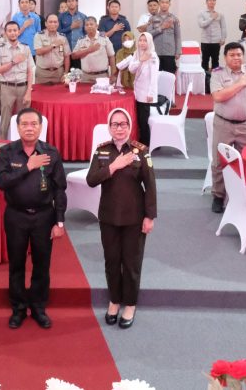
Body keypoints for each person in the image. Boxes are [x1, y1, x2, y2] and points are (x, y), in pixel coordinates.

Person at [0, 108, 67, 329]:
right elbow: (2, 182)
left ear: (40, 127)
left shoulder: (51, 152)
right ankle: (18, 308)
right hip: (16, 216)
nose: (29, 128)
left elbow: (60, 189)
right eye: (24, 124)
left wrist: (60, 221)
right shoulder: (7, 152)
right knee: (16, 264)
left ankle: (38, 307)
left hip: (44, 217)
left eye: (33, 124)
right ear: (17, 127)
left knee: (41, 264)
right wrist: (28, 167)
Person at [85, 108, 156, 329]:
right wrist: (114, 166)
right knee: (112, 261)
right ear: (109, 127)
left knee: (132, 263)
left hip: (134, 217)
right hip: (109, 216)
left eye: (123, 124)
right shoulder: (102, 151)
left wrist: (149, 216)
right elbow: (91, 180)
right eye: (115, 124)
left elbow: (150, 186)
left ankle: (130, 304)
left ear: (129, 126)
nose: (119, 128)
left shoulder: (141, 151)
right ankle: (114, 301)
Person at [209, 42, 246, 214]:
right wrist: (240, 83)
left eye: (239, 54)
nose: (236, 58)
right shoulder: (218, 73)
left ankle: (245, 194)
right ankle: (218, 196)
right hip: (223, 124)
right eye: (232, 55)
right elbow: (218, 97)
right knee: (219, 161)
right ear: (225, 57)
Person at [116, 32, 161, 146]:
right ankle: (142, 142)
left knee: (144, 121)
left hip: (147, 93)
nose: (142, 43)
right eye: (140, 40)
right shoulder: (137, 53)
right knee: (140, 120)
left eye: (145, 41)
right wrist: (140, 60)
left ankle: (147, 145)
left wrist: (151, 93)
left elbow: (154, 77)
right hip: (138, 91)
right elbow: (131, 69)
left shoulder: (153, 55)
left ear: (149, 42)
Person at [0, 21, 33, 129]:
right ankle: (2, 140)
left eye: (15, 30)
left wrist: (28, 92)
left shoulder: (25, 48)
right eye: (10, 31)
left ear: (19, 32)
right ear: (5, 33)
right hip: (7, 88)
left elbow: (30, 71)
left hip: (23, 87)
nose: (12, 33)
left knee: (24, 120)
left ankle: (22, 140)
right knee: (5, 120)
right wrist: (13, 62)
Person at [71, 16, 116, 83]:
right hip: (85, 76)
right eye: (87, 25)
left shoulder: (104, 39)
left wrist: (113, 74)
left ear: (96, 26)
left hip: (102, 76)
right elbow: (73, 56)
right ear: (84, 27)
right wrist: (89, 50)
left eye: (91, 24)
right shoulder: (81, 40)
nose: (89, 26)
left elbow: (111, 56)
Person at [147, 0, 181, 75]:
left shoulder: (174, 19)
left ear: (169, 4)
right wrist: (161, 28)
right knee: (156, 77)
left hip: (169, 52)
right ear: (159, 4)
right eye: (162, 2)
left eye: (166, 2)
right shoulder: (152, 18)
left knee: (169, 76)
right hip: (156, 53)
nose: (164, 4)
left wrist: (178, 51)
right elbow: (148, 34)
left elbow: (177, 36)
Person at [198, 0, 226, 91]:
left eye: (214, 0)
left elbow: (223, 27)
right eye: (210, 0)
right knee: (204, 61)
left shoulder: (220, 14)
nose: (212, 2)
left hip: (216, 41)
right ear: (206, 2)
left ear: (215, 2)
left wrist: (223, 38)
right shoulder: (202, 13)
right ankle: (204, 83)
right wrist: (211, 18)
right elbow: (201, 24)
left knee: (215, 61)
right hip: (205, 41)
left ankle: (215, 83)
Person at [33, 14, 70, 85]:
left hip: (58, 73)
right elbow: (38, 52)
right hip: (42, 73)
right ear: (46, 23)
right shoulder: (39, 36)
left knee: (59, 92)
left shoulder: (62, 37)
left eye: (55, 22)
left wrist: (66, 73)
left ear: (58, 24)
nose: (53, 24)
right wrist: (53, 45)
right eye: (50, 22)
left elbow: (66, 56)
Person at [58, 0, 88, 69]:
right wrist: (71, 27)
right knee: (65, 72)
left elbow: (86, 34)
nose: (71, 3)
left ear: (76, 3)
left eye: (73, 1)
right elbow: (58, 33)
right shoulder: (61, 16)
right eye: (69, 1)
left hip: (79, 50)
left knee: (79, 72)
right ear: (66, 3)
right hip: (64, 50)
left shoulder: (83, 16)